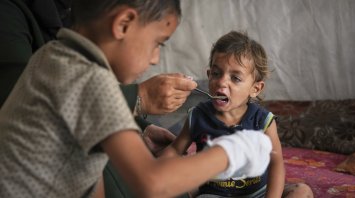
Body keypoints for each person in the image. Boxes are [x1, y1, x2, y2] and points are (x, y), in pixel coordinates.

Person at [0, 1, 273, 198]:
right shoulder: (91, 82)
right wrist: (234, 151)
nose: (155, 58)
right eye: (157, 43)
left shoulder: (51, 58)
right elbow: (152, 185)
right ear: (124, 24)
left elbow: (90, 175)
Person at [159, 31, 314, 198]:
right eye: (216, 74)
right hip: (214, 194)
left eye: (235, 78)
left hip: (258, 194)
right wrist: (154, 169)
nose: (222, 82)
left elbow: (276, 163)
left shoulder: (263, 121)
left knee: (302, 191)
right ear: (209, 75)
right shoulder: (197, 116)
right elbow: (175, 151)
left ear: (255, 89)